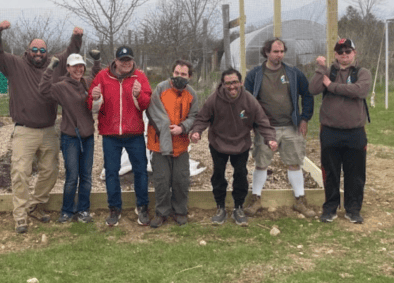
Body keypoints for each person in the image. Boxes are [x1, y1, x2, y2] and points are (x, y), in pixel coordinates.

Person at [0, 20, 83, 234]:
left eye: (42, 50)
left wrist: (76, 38)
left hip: (49, 130)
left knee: (50, 172)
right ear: (27, 51)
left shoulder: (54, 65)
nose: (39, 53)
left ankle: (35, 206)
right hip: (25, 130)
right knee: (20, 173)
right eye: (35, 50)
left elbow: (69, 54)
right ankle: (20, 216)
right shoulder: (14, 64)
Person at [190, 68, 277, 226]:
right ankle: (220, 208)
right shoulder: (213, 100)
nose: (232, 87)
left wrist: (270, 139)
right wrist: (196, 132)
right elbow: (202, 118)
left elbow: (262, 121)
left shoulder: (249, 100)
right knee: (218, 175)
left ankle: (238, 208)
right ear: (222, 84)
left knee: (241, 175)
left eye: (235, 82)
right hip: (218, 143)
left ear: (241, 83)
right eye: (228, 83)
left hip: (241, 144)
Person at [244, 38, 315, 218]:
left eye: (282, 51)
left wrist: (304, 118)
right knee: (261, 164)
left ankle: (300, 200)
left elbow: (307, 95)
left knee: (294, 163)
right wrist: (251, 124)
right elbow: (247, 100)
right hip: (265, 128)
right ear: (266, 52)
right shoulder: (255, 75)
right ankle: (256, 199)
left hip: (290, 126)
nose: (279, 55)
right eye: (275, 51)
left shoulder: (293, 73)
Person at [87, 45, 152, 227]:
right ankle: (114, 208)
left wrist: (139, 95)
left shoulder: (139, 77)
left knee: (141, 171)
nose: (126, 63)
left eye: (129, 60)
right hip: (110, 134)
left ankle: (142, 206)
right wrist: (95, 97)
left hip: (135, 133)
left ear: (133, 60)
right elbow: (91, 105)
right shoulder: (102, 77)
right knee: (111, 172)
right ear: (115, 61)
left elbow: (147, 103)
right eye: (123, 60)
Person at [309, 38, 371, 224]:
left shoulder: (362, 72)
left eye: (348, 51)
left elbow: (359, 90)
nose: (344, 55)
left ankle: (353, 210)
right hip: (330, 131)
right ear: (335, 54)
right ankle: (330, 208)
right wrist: (321, 69)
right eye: (340, 52)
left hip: (355, 132)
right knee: (331, 173)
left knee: (356, 174)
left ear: (354, 53)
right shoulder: (329, 71)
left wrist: (331, 86)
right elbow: (313, 89)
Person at [39, 50, 102, 223]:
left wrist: (96, 61)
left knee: (87, 176)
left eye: (81, 66)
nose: (78, 69)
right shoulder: (61, 87)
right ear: (68, 68)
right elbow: (44, 90)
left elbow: (97, 76)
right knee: (72, 176)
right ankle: (66, 211)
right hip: (70, 138)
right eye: (74, 66)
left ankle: (83, 210)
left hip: (87, 137)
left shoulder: (87, 83)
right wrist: (50, 68)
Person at [147, 60, 198, 228]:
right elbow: (153, 112)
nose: (179, 76)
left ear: (189, 76)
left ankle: (180, 211)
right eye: (176, 73)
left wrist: (182, 127)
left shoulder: (191, 94)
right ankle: (161, 213)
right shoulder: (161, 89)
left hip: (181, 146)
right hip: (160, 146)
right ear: (172, 72)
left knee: (181, 181)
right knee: (161, 181)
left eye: (183, 74)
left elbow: (194, 116)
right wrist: (166, 128)